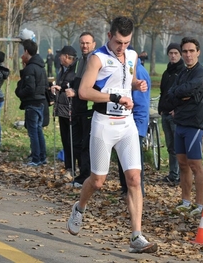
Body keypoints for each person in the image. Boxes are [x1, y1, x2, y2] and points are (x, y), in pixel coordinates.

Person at [66, 16, 158, 254]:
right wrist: (116, 98)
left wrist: (137, 85)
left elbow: (128, 80)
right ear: (109, 36)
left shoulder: (132, 56)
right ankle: (80, 207)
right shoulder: (98, 58)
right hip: (104, 124)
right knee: (97, 181)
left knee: (134, 179)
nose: (122, 47)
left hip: (126, 124)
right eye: (118, 42)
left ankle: (136, 236)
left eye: (126, 42)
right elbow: (84, 91)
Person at [162, 37, 203, 217]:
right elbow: (171, 94)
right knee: (182, 164)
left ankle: (199, 204)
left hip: (194, 124)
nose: (188, 55)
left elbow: (188, 90)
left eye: (191, 51)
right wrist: (180, 95)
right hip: (179, 122)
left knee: (195, 165)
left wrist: (180, 94)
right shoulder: (182, 72)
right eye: (185, 52)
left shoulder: (201, 73)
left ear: (198, 52)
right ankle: (186, 201)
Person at [66, 32, 96, 187]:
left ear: (94, 44)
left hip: (89, 109)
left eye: (87, 43)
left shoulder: (95, 61)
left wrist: (76, 93)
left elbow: (93, 87)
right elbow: (75, 82)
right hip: (77, 109)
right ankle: (80, 175)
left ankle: (86, 177)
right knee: (77, 143)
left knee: (86, 145)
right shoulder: (79, 62)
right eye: (82, 43)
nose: (85, 46)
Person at [118, 54, 151, 197]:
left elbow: (141, 103)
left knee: (134, 160)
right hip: (126, 121)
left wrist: (137, 126)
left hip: (135, 122)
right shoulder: (129, 70)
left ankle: (138, 192)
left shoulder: (139, 73)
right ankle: (126, 189)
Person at [15, 39, 48, 166]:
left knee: (33, 132)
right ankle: (42, 157)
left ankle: (35, 159)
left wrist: (19, 92)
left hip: (32, 103)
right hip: (41, 102)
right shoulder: (40, 66)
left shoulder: (31, 68)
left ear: (26, 51)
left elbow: (29, 88)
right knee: (38, 131)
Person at [157, 43, 185, 186]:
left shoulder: (183, 71)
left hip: (176, 115)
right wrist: (161, 108)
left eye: (176, 53)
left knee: (177, 147)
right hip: (165, 113)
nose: (173, 56)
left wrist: (177, 110)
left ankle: (179, 175)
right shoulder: (167, 72)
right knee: (170, 146)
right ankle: (172, 173)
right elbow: (163, 91)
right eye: (171, 53)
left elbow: (184, 94)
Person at [50, 45, 79, 177]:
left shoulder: (76, 71)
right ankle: (69, 167)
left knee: (72, 141)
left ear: (67, 57)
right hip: (62, 110)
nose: (59, 57)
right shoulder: (63, 70)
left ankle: (73, 168)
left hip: (71, 111)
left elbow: (73, 89)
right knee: (65, 140)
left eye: (61, 55)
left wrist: (62, 88)